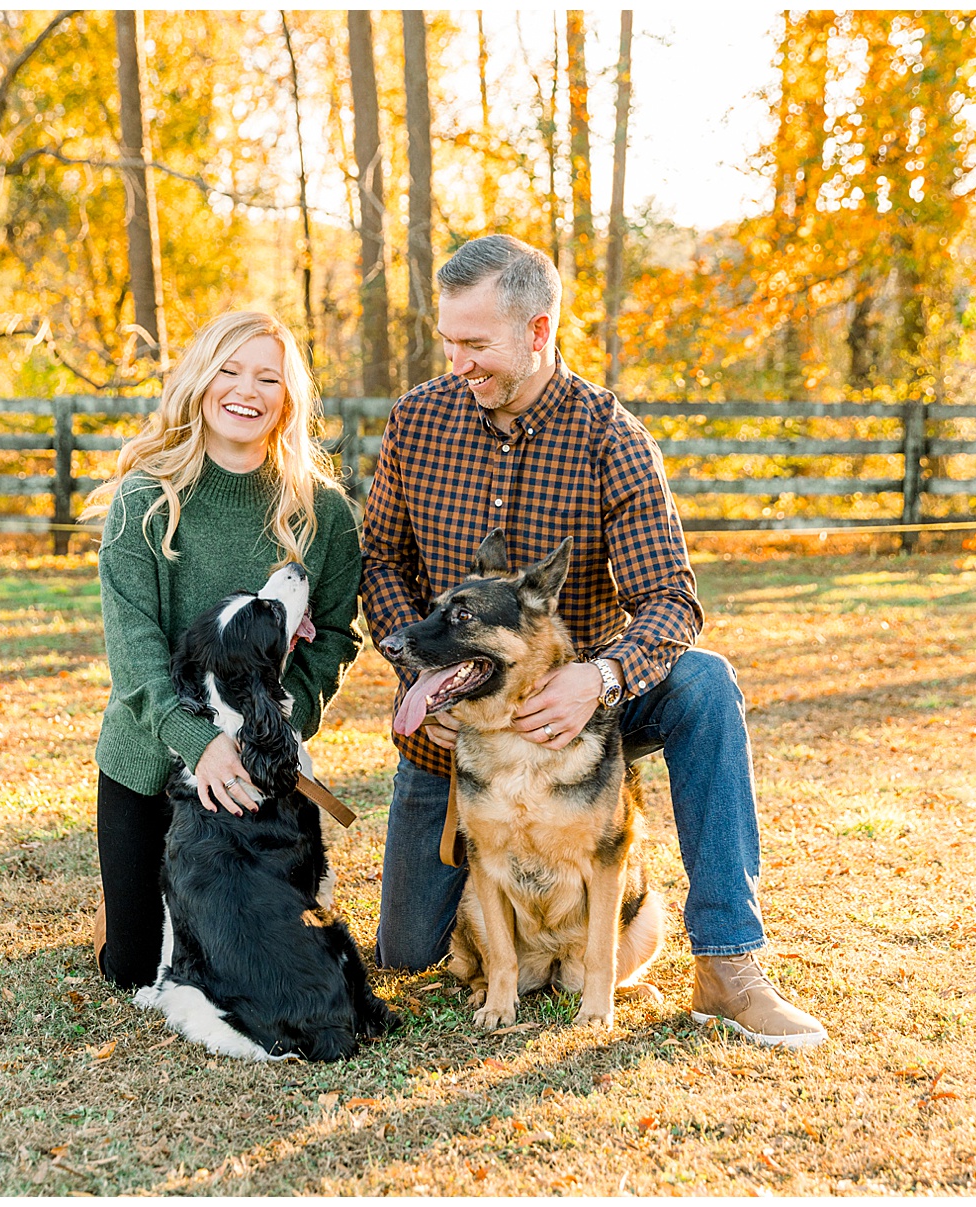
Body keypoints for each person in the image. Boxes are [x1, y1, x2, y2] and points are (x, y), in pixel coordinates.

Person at [360, 235, 826, 1050]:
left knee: (707, 685)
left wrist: (601, 679)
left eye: (476, 344)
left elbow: (672, 600)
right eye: (449, 342)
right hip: (460, 730)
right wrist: (421, 683)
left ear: (538, 332)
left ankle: (729, 962)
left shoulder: (611, 436)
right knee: (407, 954)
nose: (457, 362)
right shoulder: (419, 420)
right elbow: (381, 564)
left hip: (579, 712)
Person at [87, 310, 363, 991]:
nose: (247, 390)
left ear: (288, 397)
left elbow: (333, 637)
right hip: (152, 757)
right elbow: (135, 656)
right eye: (230, 370)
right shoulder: (144, 501)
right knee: (133, 970)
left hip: (258, 761)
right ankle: (127, 900)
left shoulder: (322, 513)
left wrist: (276, 730)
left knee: (241, 960)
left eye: (268, 376)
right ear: (200, 381)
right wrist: (200, 739)